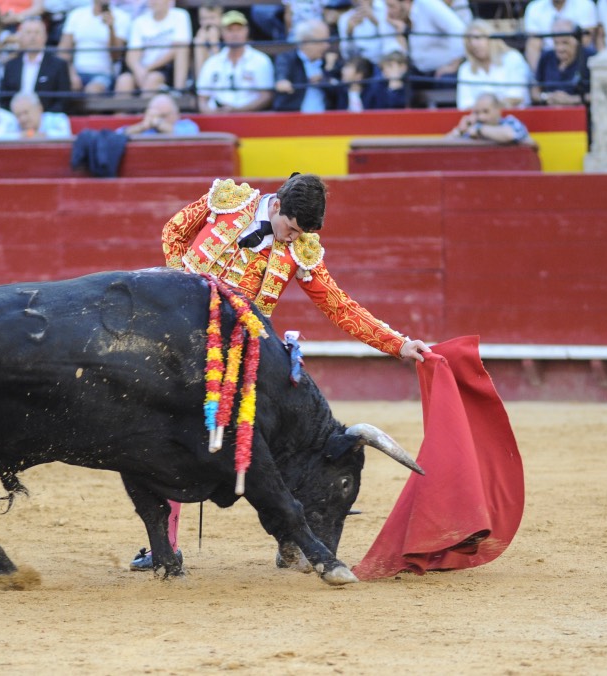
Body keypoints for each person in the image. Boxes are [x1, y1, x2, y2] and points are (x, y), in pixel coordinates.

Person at [130, 172, 431, 571]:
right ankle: (163, 546)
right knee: (169, 436)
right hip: (175, 341)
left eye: (299, 232)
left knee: (282, 440)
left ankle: (291, 537)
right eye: (289, 228)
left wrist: (398, 343)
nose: (292, 238)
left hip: (238, 352)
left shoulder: (301, 249)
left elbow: (339, 306)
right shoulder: (227, 200)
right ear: (275, 206)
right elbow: (174, 231)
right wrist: (178, 292)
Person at [196, 10, 274, 114]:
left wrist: (238, 111)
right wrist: (212, 114)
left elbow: (267, 96)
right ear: (222, 33)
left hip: (250, 118)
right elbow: (202, 99)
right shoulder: (212, 63)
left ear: (246, 31)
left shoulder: (261, 61)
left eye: (239, 29)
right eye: (230, 30)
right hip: (216, 118)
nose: (235, 34)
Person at [115, 0, 192, 95]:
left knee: (152, 79)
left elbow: (178, 48)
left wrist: (148, 69)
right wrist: (139, 70)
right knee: (124, 81)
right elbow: (132, 54)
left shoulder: (180, 15)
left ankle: (179, 91)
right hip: (142, 68)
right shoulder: (139, 21)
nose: (153, 2)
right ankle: (120, 110)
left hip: (166, 67)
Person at [0, 16, 72, 112]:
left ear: (45, 36)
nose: (33, 37)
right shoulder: (11, 66)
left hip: (46, 119)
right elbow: (4, 99)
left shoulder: (58, 65)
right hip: (15, 118)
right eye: (28, 33)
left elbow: (63, 101)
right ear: (21, 37)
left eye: (37, 33)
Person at [58, 0, 131, 95]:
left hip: (104, 74)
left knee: (93, 91)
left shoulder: (122, 17)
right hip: (77, 72)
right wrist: (71, 74)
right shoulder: (76, 15)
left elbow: (116, 56)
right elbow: (63, 51)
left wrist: (111, 28)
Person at [384, 0, 468, 82]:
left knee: (446, 80)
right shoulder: (396, 21)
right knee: (390, 79)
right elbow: (400, 55)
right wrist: (400, 34)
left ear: (407, 2)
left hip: (444, 70)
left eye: (391, 6)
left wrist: (455, 65)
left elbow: (458, 29)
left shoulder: (427, 4)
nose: (388, 12)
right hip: (420, 71)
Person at [456, 19, 531, 110]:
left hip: (512, 118)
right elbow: (464, 105)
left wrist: (486, 109)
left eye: (478, 38)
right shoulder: (465, 69)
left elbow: (517, 97)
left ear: (491, 37)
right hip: (479, 121)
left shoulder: (513, 58)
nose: (474, 45)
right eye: (469, 41)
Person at [273, 19, 340, 112]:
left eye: (327, 41)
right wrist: (282, 81)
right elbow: (282, 74)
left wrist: (325, 78)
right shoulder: (287, 59)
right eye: (321, 41)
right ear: (305, 42)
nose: (327, 46)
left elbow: (339, 91)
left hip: (326, 119)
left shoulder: (330, 62)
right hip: (295, 119)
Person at [532, 18, 595, 106]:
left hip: (582, 113)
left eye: (565, 43)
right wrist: (547, 97)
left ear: (576, 40)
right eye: (556, 43)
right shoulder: (546, 57)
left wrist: (571, 100)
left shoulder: (591, 57)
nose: (560, 48)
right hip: (551, 111)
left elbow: (600, 94)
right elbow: (534, 91)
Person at [523, 0, 597, 70]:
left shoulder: (585, 5)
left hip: (577, 62)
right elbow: (533, 46)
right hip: (548, 63)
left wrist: (566, 68)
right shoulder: (534, 8)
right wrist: (540, 76)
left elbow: (584, 42)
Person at [448, 92, 533, 144]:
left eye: (486, 111)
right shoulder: (472, 127)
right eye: (477, 112)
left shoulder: (511, 122)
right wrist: (460, 130)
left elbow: (510, 135)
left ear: (498, 110)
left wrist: (479, 130)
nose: (481, 117)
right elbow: (442, 146)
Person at [338, 0, 392, 65]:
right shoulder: (345, 18)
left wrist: (375, 21)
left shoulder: (385, 10)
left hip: (382, 61)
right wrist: (349, 33)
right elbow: (346, 54)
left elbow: (391, 41)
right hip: (358, 64)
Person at [118, 92, 199, 135]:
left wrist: (159, 123)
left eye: (163, 116)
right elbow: (118, 134)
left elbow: (191, 134)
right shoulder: (146, 128)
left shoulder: (186, 125)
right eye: (153, 115)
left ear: (176, 114)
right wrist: (142, 126)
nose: (156, 119)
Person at [192, 1, 223, 77]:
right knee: (198, 42)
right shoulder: (200, 37)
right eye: (204, 19)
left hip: (222, 79)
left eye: (212, 18)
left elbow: (220, 68)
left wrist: (214, 43)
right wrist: (200, 44)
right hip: (204, 79)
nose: (208, 22)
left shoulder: (227, 36)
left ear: (221, 18)